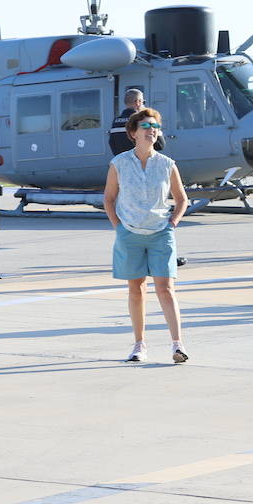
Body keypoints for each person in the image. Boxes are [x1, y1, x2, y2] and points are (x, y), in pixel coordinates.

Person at [103, 108, 190, 364]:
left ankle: (178, 345)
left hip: (160, 234)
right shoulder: (119, 163)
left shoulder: (167, 164)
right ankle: (139, 345)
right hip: (129, 234)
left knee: (166, 289)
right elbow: (108, 198)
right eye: (146, 126)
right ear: (133, 133)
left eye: (155, 126)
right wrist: (118, 226)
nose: (152, 129)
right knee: (136, 290)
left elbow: (181, 198)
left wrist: (173, 222)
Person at [108, 88, 165, 155]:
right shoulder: (142, 120)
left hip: (122, 162)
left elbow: (112, 143)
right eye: (143, 102)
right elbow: (160, 145)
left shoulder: (116, 122)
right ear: (138, 102)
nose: (144, 105)